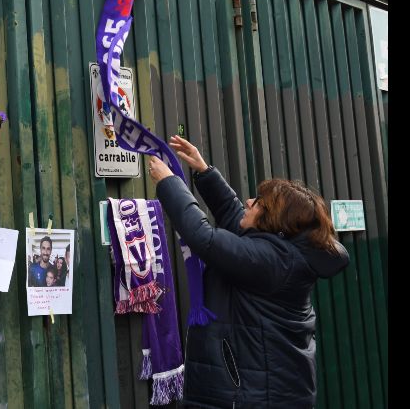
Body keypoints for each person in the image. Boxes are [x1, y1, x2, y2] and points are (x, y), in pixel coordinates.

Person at [147, 135, 349, 408]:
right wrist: (204, 171)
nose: (249, 201)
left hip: (253, 398)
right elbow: (235, 216)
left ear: (271, 219)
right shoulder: (282, 250)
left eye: (258, 202)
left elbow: (204, 238)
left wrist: (169, 183)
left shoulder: (273, 262)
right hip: (264, 393)